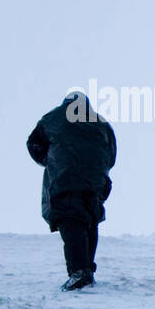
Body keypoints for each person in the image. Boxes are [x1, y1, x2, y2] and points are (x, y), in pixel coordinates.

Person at [26, 91, 117, 291]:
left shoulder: (53, 118)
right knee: (89, 222)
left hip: (65, 180)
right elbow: (112, 154)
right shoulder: (101, 123)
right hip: (95, 183)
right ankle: (87, 271)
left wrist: (50, 161)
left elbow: (33, 143)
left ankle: (79, 273)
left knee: (71, 221)